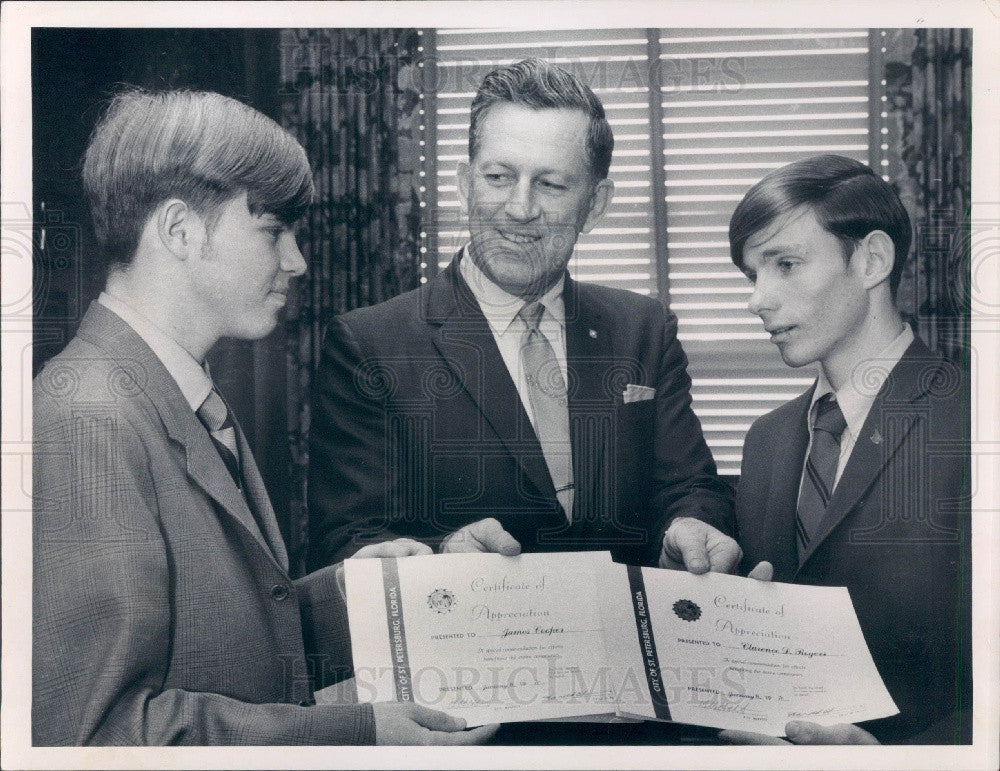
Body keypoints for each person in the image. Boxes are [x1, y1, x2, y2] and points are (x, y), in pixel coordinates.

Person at [32, 89, 496, 746]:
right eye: (273, 230)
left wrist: (361, 590)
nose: (297, 261)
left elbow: (220, 642)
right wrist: (362, 733)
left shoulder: (175, 397)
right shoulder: (84, 420)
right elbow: (96, 736)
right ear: (178, 230)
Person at [307, 58, 736, 574]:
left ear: (595, 205)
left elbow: (690, 488)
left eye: (551, 185)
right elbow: (344, 541)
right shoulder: (369, 343)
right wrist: (443, 553)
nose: (519, 208)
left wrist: (691, 526)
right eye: (498, 177)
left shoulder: (642, 329)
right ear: (465, 183)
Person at [716, 155, 971, 744]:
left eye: (785, 265)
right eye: (753, 275)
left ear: (872, 260)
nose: (758, 299)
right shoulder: (767, 441)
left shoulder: (975, 422)